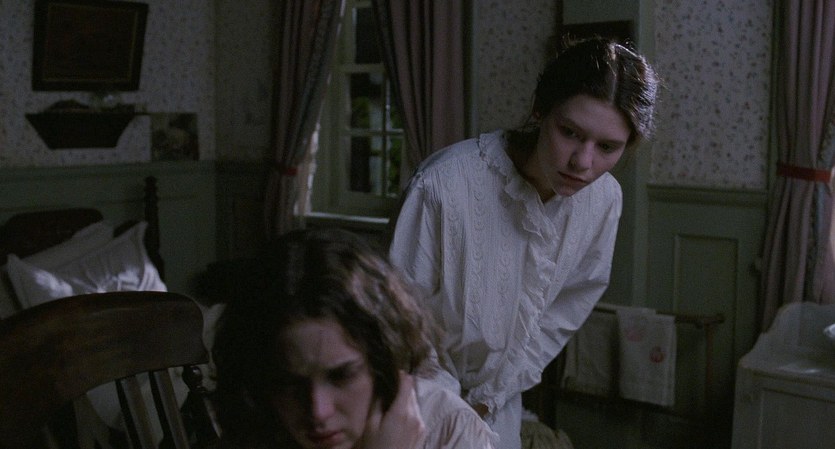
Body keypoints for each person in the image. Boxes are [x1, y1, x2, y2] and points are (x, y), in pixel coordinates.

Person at [387, 36, 660, 449]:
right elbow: (399, 324)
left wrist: (491, 396)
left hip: (500, 408)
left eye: (607, 147)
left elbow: (564, 310)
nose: (583, 162)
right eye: (570, 132)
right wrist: (452, 409)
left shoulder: (604, 200)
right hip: (417, 404)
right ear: (540, 109)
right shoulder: (441, 186)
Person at [210, 228, 497, 449]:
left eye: (341, 376)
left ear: (383, 361)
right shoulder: (258, 425)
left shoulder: (449, 431)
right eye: (289, 384)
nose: (318, 412)